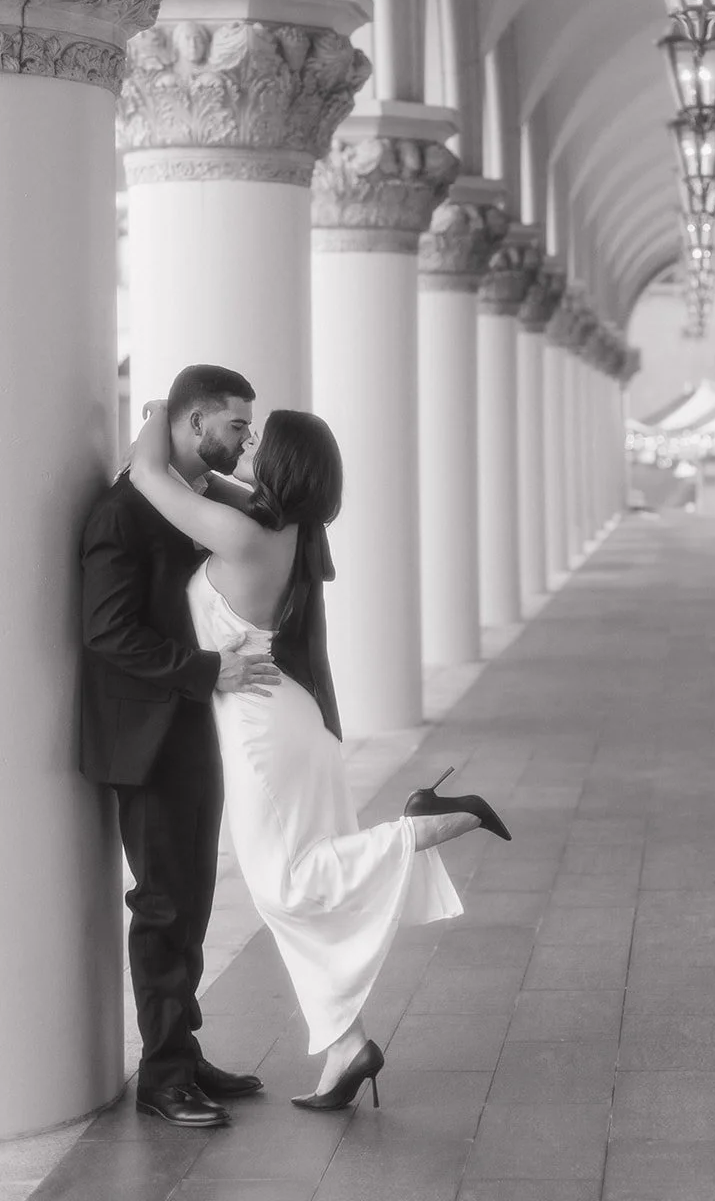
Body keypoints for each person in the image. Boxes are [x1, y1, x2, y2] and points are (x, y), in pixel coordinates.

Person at [127, 399, 512, 1112]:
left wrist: (163, 410)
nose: (247, 449)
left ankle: (423, 826)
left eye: (258, 441)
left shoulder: (245, 536)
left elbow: (152, 473)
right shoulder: (290, 529)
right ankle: (346, 1047)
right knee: (297, 893)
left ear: (280, 465)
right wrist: (218, 461)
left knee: (286, 886)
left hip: (261, 728)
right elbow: (211, 487)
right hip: (293, 718)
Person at [80, 365, 279, 1130]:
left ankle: (182, 1051)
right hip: (144, 736)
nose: (247, 439)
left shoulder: (181, 499)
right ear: (195, 424)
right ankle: (162, 1077)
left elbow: (256, 508)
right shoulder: (121, 513)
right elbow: (106, 631)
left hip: (190, 721)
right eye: (236, 425)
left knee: (192, 898)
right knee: (163, 904)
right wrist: (207, 670)